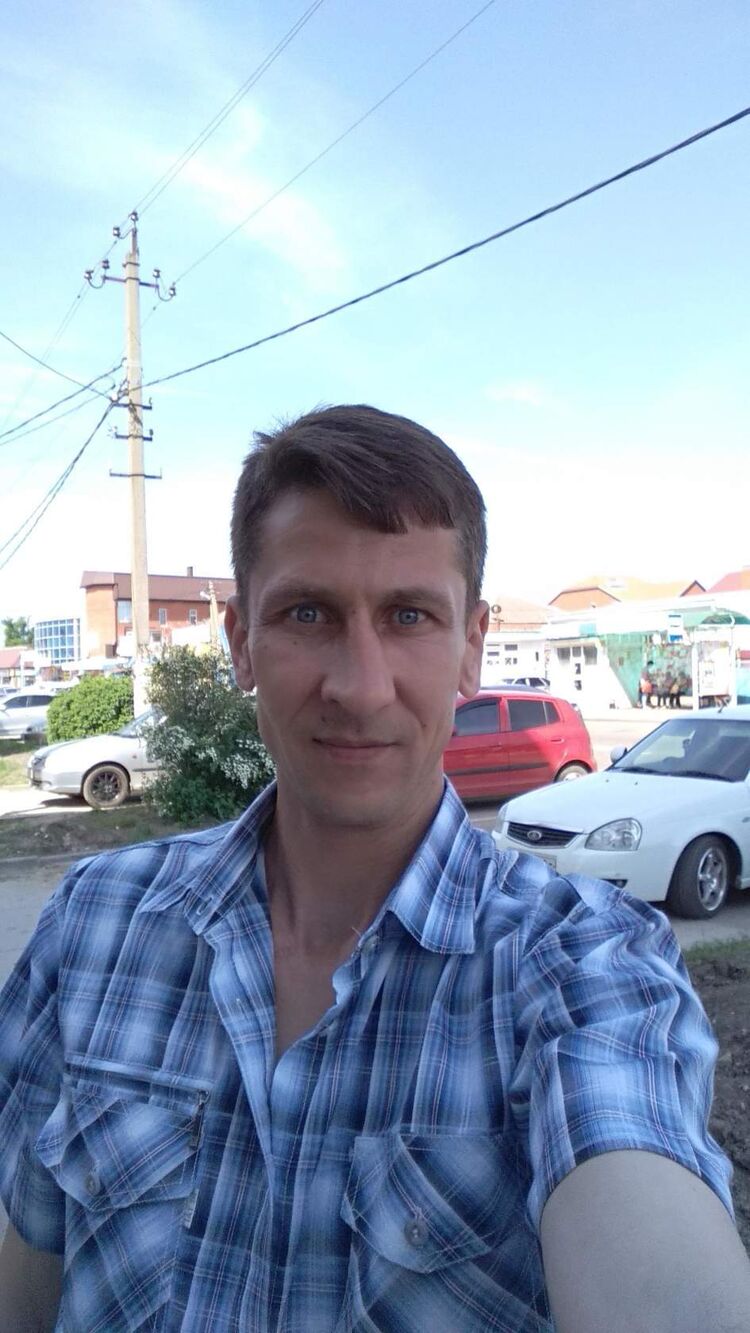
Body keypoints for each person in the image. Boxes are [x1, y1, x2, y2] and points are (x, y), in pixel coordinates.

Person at [1, 405, 748, 1333]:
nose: (359, 686)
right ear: (240, 641)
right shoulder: (94, 926)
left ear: (471, 645)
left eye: (409, 616)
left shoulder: (584, 964)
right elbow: (26, 1271)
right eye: (308, 613)